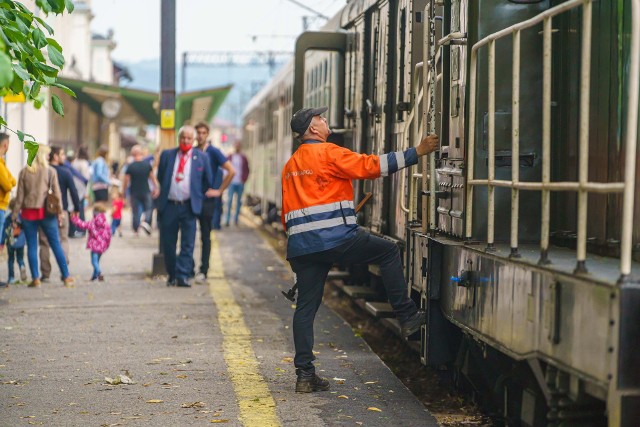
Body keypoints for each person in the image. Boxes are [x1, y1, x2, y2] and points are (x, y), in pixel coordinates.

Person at [282, 107, 439, 392]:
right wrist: (418, 151)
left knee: (305, 309)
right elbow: (373, 166)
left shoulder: (291, 165)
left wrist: (298, 259)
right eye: (321, 118)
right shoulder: (330, 152)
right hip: (336, 240)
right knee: (388, 252)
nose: (326, 120)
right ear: (313, 129)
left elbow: (288, 215)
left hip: (302, 248)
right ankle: (407, 317)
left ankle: (304, 375)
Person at [157, 125, 218, 287]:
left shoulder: (201, 158)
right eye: (183, 137)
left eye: (189, 138)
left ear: (193, 140)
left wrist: (197, 195)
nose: (185, 140)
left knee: (188, 243)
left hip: (189, 207)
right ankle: (172, 274)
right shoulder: (167, 155)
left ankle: (183, 275)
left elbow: (208, 180)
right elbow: (161, 176)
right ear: (179, 139)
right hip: (170, 205)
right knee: (168, 243)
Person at [12, 145, 73, 287]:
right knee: (55, 244)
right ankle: (66, 276)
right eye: (46, 154)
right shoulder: (50, 172)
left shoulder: (24, 172)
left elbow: (19, 197)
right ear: (42, 155)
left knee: (32, 246)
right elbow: (57, 195)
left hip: (28, 213)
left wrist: (15, 216)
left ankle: (35, 278)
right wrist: (60, 213)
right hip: (47, 213)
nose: (48, 156)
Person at [194, 122, 235, 284]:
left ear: (208, 134)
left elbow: (231, 171)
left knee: (205, 235)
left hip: (208, 201)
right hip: (193, 200)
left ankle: (204, 270)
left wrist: (219, 191)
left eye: (204, 132)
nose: (201, 135)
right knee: (189, 235)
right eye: (198, 132)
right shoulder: (193, 151)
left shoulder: (214, 152)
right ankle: (188, 267)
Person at [39, 146, 80, 282]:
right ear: (55, 156)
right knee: (62, 239)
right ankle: (64, 268)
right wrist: (77, 209)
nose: (64, 157)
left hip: (43, 210)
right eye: (62, 154)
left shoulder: (41, 171)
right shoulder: (65, 172)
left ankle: (45, 274)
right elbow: (73, 191)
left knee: (44, 242)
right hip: (60, 210)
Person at [123, 145, 159, 235]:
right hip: (146, 191)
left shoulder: (130, 166)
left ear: (132, 154)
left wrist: (123, 192)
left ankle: (136, 229)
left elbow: (126, 180)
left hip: (134, 192)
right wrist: (156, 188)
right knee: (149, 208)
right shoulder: (147, 165)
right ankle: (146, 222)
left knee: (135, 211)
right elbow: (152, 178)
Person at [71, 202, 111, 281]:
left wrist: (74, 219)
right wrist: (106, 245)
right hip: (102, 247)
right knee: (97, 262)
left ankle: (99, 273)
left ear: (95, 212)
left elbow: (82, 225)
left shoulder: (93, 222)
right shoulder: (106, 224)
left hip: (95, 246)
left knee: (94, 262)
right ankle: (94, 276)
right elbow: (108, 236)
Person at [0, 199, 27, 285]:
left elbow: (4, 231)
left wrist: (2, 242)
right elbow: (26, 229)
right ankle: (22, 266)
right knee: (20, 258)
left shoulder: (8, 218)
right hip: (21, 242)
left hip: (10, 242)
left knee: (11, 260)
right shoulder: (22, 217)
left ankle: (11, 277)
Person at [224, 141, 249, 227]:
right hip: (231, 182)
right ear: (234, 146)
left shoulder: (243, 158)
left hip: (240, 182)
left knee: (239, 202)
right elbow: (225, 168)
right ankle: (227, 220)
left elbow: (247, 169)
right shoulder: (230, 156)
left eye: (239, 146)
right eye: (236, 145)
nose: (237, 147)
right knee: (229, 200)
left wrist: (244, 179)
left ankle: (236, 220)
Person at [70, 145, 91, 237]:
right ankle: (81, 229)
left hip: (74, 189)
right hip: (81, 190)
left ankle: (74, 228)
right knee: (81, 210)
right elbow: (86, 179)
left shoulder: (74, 162)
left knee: (74, 209)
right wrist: (87, 192)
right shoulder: (84, 163)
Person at [0, 133, 16, 241]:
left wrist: (9, 181)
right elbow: (8, 186)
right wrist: (9, 181)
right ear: (5, 144)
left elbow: (13, 181)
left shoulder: (2, 163)